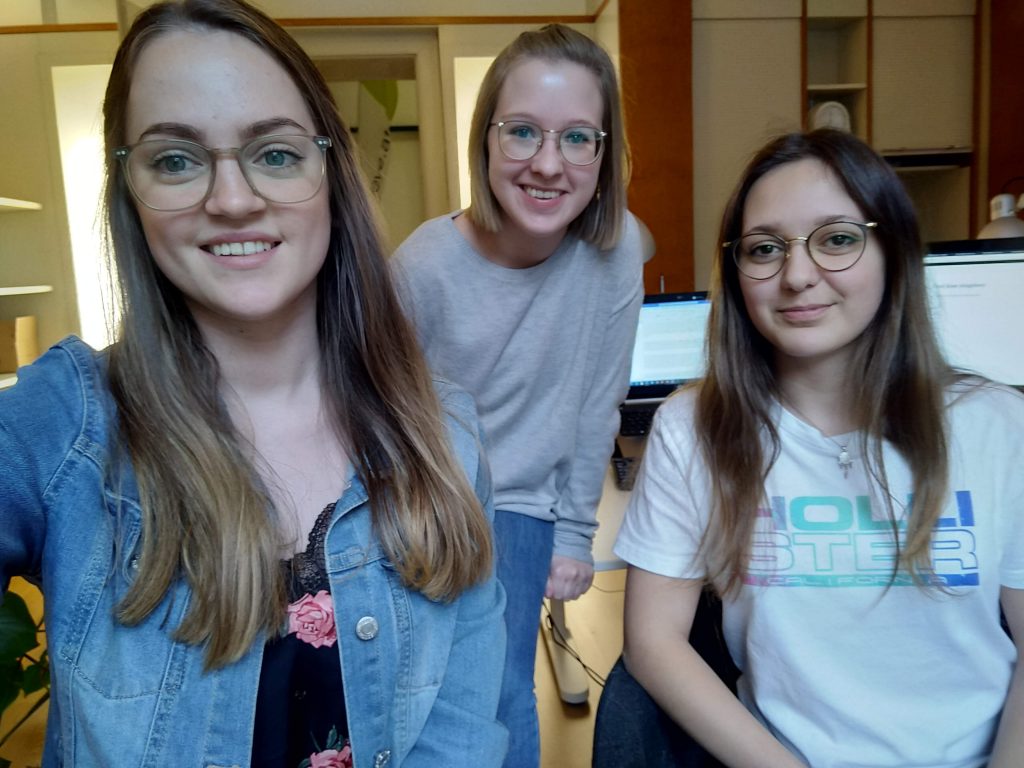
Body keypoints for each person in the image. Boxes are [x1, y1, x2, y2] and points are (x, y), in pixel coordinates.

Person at [0, 1, 508, 766]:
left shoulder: (444, 434)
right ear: (129, 194)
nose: (232, 198)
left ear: (328, 173)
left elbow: (460, 737)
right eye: (176, 160)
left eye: (274, 153)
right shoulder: (66, 423)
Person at [615, 129, 1024, 768]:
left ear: (893, 251)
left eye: (837, 239)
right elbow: (652, 640)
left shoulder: (997, 424)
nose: (798, 275)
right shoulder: (695, 426)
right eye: (765, 248)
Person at [391, 24, 643, 767]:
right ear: (486, 139)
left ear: (603, 153)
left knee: (500, 690)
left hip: (523, 503)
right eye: (523, 132)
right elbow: (379, 414)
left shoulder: (615, 247)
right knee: (438, 693)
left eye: (576, 139)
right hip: (431, 494)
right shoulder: (423, 265)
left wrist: (573, 535)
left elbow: (600, 399)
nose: (547, 163)